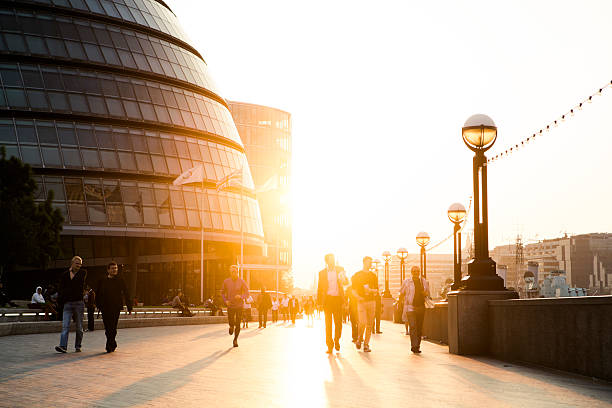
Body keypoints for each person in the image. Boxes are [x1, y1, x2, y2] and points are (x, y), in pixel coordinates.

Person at [95, 261, 132, 353]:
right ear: (108, 270)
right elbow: (98, 293)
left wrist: (129, 306)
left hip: (115, 307)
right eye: (112, 268)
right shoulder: (102, 280)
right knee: (107, 327)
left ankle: (109, 345)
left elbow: (126, 293)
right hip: (105, 307)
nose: (115, 270)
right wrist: (98, 305)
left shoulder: (120, 280)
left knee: (113, 327)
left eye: (116, 268)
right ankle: (112, 343)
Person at [317, 253, 348, 354]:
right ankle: (329, 346)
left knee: (338, 323)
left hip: (338, 299)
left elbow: (346, 283)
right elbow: (319, 288)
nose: (333, 261)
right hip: (327, 300)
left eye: (333, 259)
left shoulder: (340, 269)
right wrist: (319, 302)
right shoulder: (321, 273)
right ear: (327, 261)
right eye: (330, 260)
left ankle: (337, 340)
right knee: (328, 324)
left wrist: (343, 279)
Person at [55, 256, 86, 353]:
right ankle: (63, 346)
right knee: (65, 326)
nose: (79, 266)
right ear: (72, 263)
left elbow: (77, 283)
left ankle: (78, 345)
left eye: (80, 264)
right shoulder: (64, 275)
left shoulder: (82, 273)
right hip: (67, 304)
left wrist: (71, 273)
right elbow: (61, 288)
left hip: (79, 303)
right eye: (77, 263)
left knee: (79, 327)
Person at [400, 266, 430, 354]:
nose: (416, 272)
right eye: (414, 271)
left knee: (419, 328)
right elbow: (401, 292)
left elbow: (428, 293)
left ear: (419, 272)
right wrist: (400, 302)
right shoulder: (407, 282)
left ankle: (418, 346)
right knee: (413, 327)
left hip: (421, 307)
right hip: (410, 307)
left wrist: (425, 293)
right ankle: (414, 346)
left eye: (417, 271)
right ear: (411, 272)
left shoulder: (423, 281)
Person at [351, 256, 378, 352]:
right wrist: (358, 297)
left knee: (370, 324)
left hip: (371, 301)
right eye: (368, 262)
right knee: (362, 322)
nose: (370, 264)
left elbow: (377, 290)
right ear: (364, 263)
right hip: (361, 302)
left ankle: (366, 345)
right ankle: (359, 339)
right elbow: (353, 291)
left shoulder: (373, 276)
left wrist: (372, 290)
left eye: (371, 262)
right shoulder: (357, 275)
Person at [222, 265, 249, 347]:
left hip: (239, 306)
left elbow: (247, 292)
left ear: (238, 272)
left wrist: (241, 296)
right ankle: (231, 326)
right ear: (230, 272)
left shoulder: (241, 281)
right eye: (233, 272)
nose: (234, 273)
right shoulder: (226, 281)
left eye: (236, 272)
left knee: (238, 323)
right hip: (230, 305)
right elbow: (222, 292)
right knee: (231, 322)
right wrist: (225, 300)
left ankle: (235, 340)